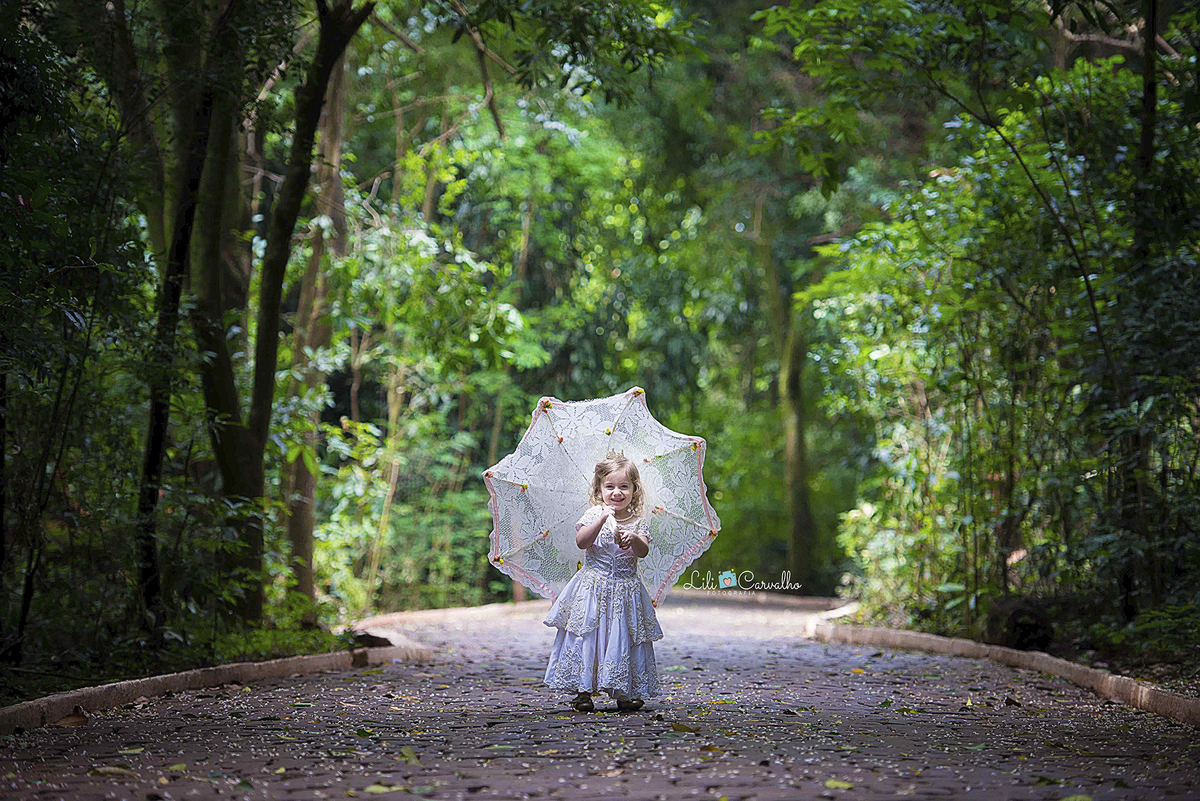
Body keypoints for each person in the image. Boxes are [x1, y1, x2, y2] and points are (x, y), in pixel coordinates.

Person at [543, 454, 663, 711]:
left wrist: (634, 538)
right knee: (587, 635)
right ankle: (583, 691)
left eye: (624, 487)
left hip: (626, 591)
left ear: (634, 490)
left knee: (622, 637)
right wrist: (601, 519)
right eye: (610, 487)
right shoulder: (594, 514)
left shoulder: (638, 521)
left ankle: (624, 690)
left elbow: (642, 552)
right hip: (593, 588)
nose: (617, 492)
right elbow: (582, 542)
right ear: (599, 489)